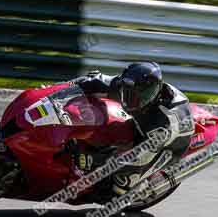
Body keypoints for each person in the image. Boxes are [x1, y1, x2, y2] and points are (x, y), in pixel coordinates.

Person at [69, 62, 195, 195]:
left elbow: (139, 157)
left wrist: (96, 159)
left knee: (121, 185)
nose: (132, 99)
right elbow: (94, 80)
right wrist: (58, 89)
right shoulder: (127, 84)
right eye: (128, 92)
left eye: (139, 95)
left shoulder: (162, 123)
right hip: (144, 124)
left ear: (154, 92)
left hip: (171, 143)